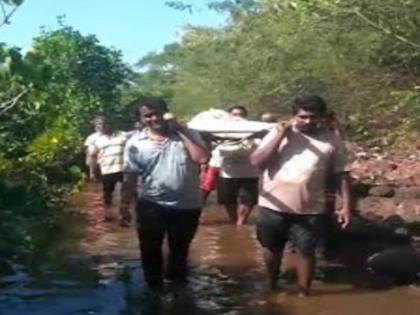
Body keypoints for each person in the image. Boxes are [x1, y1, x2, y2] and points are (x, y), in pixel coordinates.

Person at [250, 94, 351, 296]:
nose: (308, 121)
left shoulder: (332, 138)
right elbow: (257, 162)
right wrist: (281, 136)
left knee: (306, 250)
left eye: (313, 117)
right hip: (274, 204)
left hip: (311, 207)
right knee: (271, 248)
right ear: (293, 116)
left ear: (322, 117)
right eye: (303, 117)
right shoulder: (277, 133)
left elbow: (342, 173)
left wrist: (346, 206)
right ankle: (272, 285)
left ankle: (303, 292)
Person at [123, 98, 209, 293]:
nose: (155, 118)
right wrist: (124, 206)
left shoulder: (189, 134)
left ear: (167, 112)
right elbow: (130, 176)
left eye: (159, 113)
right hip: (151, 204)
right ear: (141, 119)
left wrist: (181, 130)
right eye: (148, 115)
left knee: (180, 251)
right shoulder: (135, 142)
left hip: (187, 206)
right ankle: (154, 293)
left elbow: (202, 158)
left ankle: (176, 291)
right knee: (150, 251)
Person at [88, 116, 132, 226]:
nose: (102, 126)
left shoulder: (123, 135)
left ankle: (124, 215)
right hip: (107, 170)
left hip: (124, 169)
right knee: (107, 195)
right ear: (95, 127)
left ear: (110, 124)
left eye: (104, 124)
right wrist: (92, 172)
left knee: (127, 194)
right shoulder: (94, 139)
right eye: (98, 124)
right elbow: (92, 157)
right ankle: (108, 215)